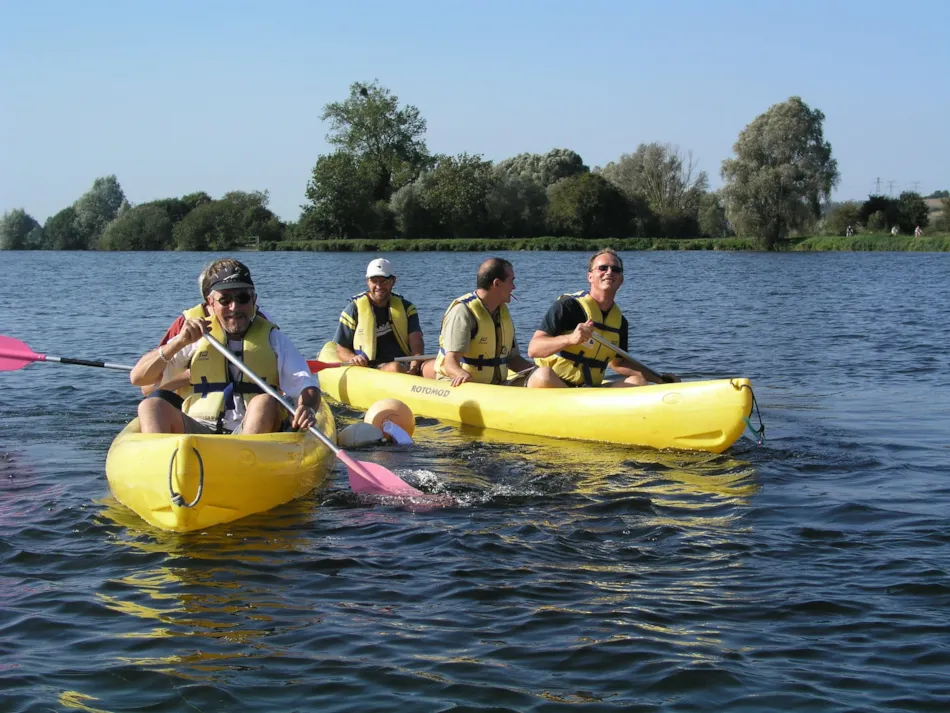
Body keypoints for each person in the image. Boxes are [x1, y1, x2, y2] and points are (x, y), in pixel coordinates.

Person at [130, 260, 320, 435]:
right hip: (199, 429)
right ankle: (162, 464)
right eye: (225, 300)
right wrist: (178, 342)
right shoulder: (195, 337)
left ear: (254, 301)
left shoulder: (274, 339)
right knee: (151, 406)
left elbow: (306, 385)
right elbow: (139, 379)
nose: (234, 307)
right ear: (211, 304)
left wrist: (308, 407)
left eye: (243, 298)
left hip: (250, 433)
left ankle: (245, 464)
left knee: (264, 402)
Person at [526, 248, 678, 388]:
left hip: (589, 389)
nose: (609, 272)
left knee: (637, 382)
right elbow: (534, 349)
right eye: (603, 268)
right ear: (590, 276)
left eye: (615, 269)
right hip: (554, 383)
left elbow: (618, 363)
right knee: (543, 374)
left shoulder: (620, 322)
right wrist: (570, 339)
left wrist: (659, 379)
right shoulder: (567, 306)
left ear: (621, 280)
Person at [434, 257, 535, 387]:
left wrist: (536, 371)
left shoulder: (502, 312)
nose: (514, 287)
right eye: (511, 281)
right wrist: (461, 374)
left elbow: (512, 359)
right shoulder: (462, 312)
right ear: (497, 283)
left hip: (497, 384)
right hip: (462, 385)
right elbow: (450, 363)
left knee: (541, 377)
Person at [333, 258, 427, 375]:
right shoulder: (353, 309)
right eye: (374, 281)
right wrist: (352, 357)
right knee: (395, 368)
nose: (379, 286)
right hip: (373, 366)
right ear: (367, 281)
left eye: (384, 281)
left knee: (432, 366)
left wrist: (414, 365)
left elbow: (416, 342)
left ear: (393, 281)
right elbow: (340, 349)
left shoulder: (407, 307)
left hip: (406, 362)